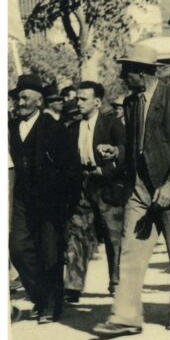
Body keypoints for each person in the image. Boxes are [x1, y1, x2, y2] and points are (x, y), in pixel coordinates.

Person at [92, 44, 170, 338]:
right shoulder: (131, 103)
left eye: (126, 70)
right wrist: (117, 151)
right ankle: (126, 316)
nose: (123, 76)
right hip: (139, 189)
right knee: (130, 251)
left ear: (141, 72)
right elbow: (135, 146)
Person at [9, 74, 77, 323]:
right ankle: (40, 296)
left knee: (50, 254)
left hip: (50, 201)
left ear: (39, 101)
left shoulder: (55, 128)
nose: (20, 102)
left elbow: (71, 168)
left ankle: (50, 305)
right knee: (17, 248)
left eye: (25, 97)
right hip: (22, 200)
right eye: (18, 98)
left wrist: (67, 204)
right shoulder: (11, 128)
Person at [63, 81, 129, 303]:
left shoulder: (112, 125)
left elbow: (124, 155)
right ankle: (73, 285)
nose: (78, 102)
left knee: (113, 236)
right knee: (76, 233)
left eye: (83, 99)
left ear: (97, 102)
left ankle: (117, 282)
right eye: (77, 98)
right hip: (81, 186)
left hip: (107, 187)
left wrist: (105, 170)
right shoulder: (73, 128)